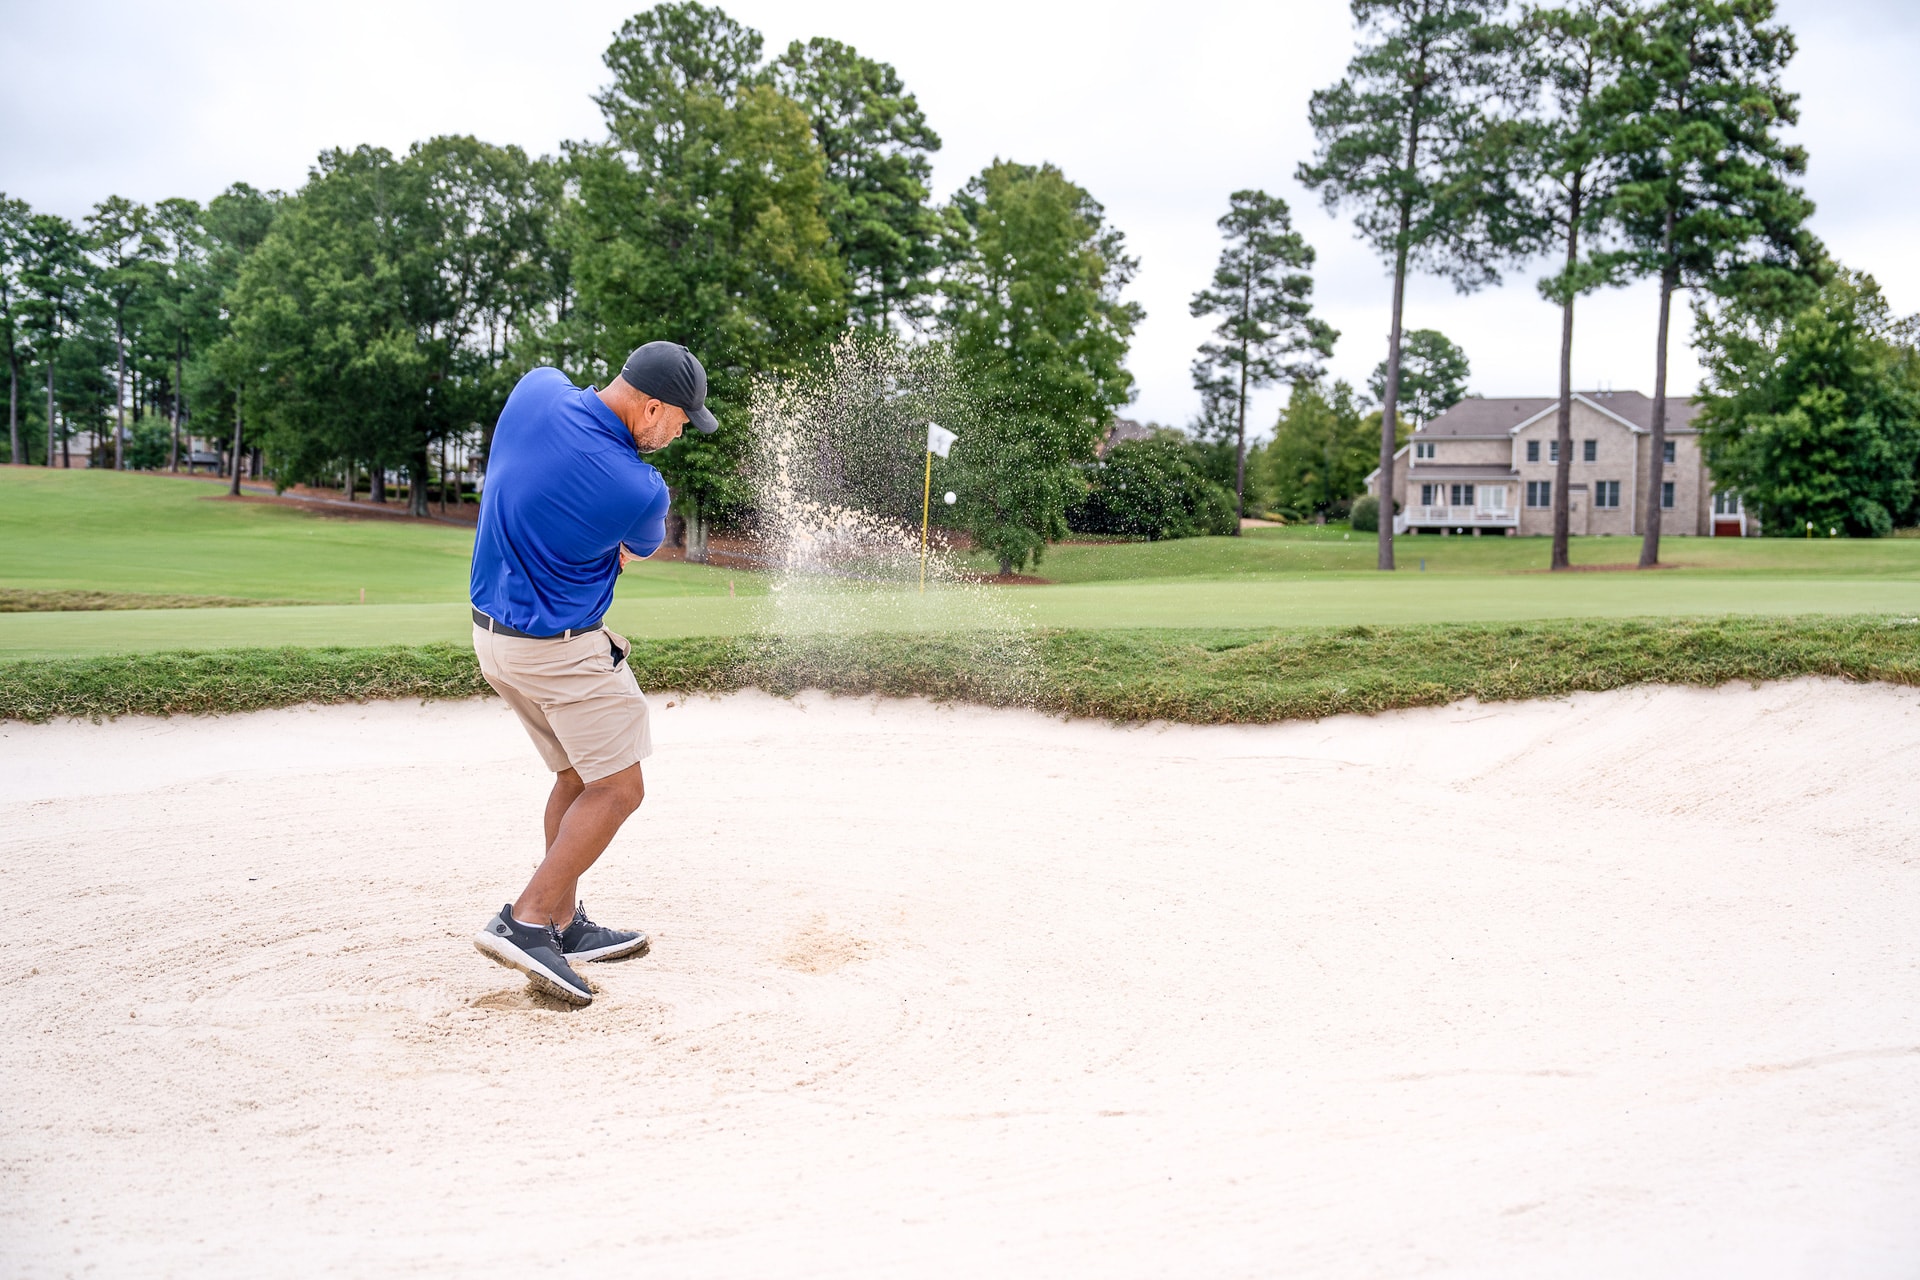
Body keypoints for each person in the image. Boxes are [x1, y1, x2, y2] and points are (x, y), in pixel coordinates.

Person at [467, 341, 718, 1006]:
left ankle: (561, 923)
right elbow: (636, 551)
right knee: (619, 788)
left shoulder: (535, 389)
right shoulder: (641, 489)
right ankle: (527, 920)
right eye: (681, 419)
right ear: (652, 407)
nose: (680, 432)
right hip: (562, 653)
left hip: (493, 641)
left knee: (578, 777)